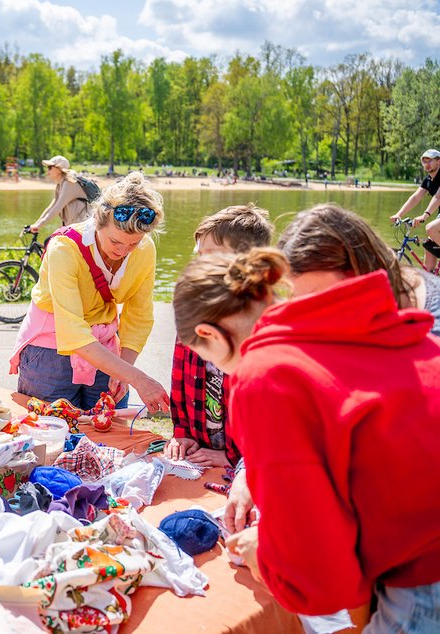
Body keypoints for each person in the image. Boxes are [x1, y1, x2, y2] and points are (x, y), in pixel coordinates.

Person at [172, 249, 440, 628]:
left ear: (209, 335)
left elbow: (324, 581)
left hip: (423, 570)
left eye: (208, 358)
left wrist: (266, 556)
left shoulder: (262, 375)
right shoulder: (326, 327)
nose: (220, 370)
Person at [223, 203, 440, 534]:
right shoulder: (333, 310)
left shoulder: (431, 334)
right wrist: (249, 470)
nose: (313, 314)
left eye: (320, 297)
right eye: (300, 301)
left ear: (361, 271)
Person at [10, 172, 170, 413]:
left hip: (105, 347)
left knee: (111, 429)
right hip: (50, 349)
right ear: (97, 221)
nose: (123, 251)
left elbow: (139, 315)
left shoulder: (144, 249)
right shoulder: (64, 248)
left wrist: (123, 369)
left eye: (133, 243)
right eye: (115, 241)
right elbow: (73, 332)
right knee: (52, 428)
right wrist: (137, 377)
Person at [166, 204, 273, 468]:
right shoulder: (195, 304)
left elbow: (264, 406)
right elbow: (180, 373)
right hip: (200, 440)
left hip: (246, 456)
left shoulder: (260, 319)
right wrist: (182, 432)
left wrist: (233, 456)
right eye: (200, 255)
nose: (201, 264)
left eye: (212, 255)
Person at [390, 148, 440, 271]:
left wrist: (424, 215)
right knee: (429, 245)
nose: (426, 164)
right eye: (424, 162)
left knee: (430, 228)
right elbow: (415, 197)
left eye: (430, 161)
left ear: (439, 161)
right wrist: (399, 214)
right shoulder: (428, 180)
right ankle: (431, 277)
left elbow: (438, 197)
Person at [29, 155, 91, 234]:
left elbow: (57, 207)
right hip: (73, 227)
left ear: (59, 169)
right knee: (51, 239)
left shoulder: (69, 183)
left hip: (83, 228)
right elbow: (51, 207)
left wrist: (39, 225)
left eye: (50, 168)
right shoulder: (60, 185)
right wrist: (36, 224)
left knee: (51, 240)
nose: (47, 171)